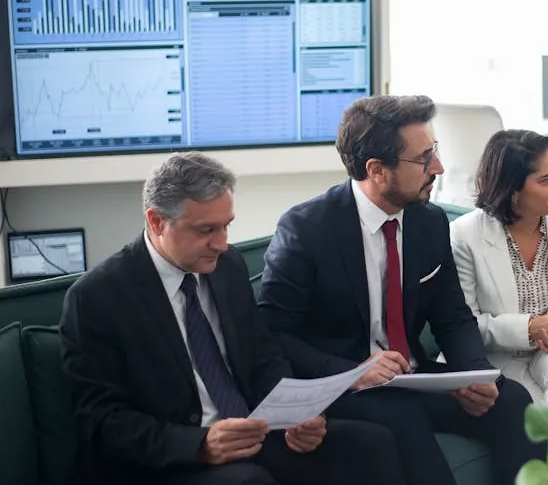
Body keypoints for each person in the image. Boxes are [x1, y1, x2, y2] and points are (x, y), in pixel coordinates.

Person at [60, 152, 406, 485]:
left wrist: (297, 415)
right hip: (171, 458)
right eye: (206, 230)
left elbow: (262, 356)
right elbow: (101, 421)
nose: (222, 244)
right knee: (248, 481)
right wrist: (200, 444)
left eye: (226, 226)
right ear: (156, 221)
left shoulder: (228, 266)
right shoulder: (98, 298)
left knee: (372, 444)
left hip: (251, 433)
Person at [258, 95, 545, 485]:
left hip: (414, 378)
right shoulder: (306, 230)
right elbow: (273, 333)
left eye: (435, 151)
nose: (439, 167)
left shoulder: (429, 221)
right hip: (345, 386)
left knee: (513, 402)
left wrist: (472, 373)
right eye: (424, 159)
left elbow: (452, 316)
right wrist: (353, 373)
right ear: (376, 170)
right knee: (400, 417)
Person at [449, 129, 548, 475]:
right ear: (513, 190)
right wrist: (528, 328)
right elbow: (462, 323)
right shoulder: (465, 235)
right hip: (498, 358)